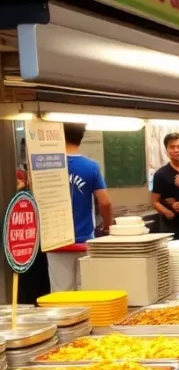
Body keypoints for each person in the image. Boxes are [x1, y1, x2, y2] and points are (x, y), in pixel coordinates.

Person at [48, 123, 113, 291]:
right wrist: (107, 226)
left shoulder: (47, 165)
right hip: (84, 239)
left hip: (55, 241)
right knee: (85, 291)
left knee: (61, 295)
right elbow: (104, 202)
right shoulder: (91, 166)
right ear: (81, 137)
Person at [152, 133, 179, 238]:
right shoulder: (161, 174)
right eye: (172, 147)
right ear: (166, 150)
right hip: (171, 227)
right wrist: (170, 212)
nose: (176, 150)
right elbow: (155, 201)